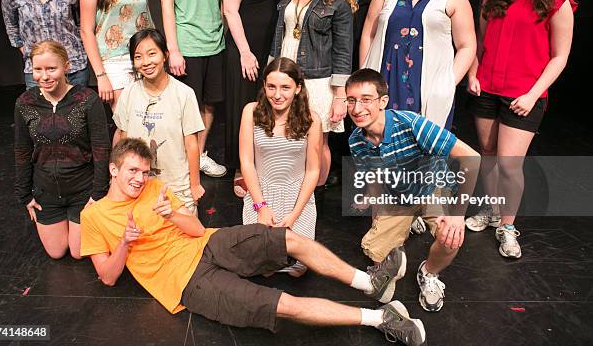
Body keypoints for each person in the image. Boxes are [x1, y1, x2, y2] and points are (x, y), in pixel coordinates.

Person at [80, 138, 426, 346]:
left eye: (144, 172)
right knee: (282, 304)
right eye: (132, 172)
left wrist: (172, 214)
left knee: (289, 239)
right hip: (186, 282)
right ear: (113, 170)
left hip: (209, 244)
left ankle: (371, 282)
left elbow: (197, 230)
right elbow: (108, 277)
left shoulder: (155, 188)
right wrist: (125, 243)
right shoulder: (94, 217)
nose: (140, 179)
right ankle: (380, 318)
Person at [465, 0, 576, 259]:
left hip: (523, 97)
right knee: (488, 157)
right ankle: (492, 209)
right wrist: (472, 73)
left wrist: (532, 94)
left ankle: (507, 225)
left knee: (510, 165)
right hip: (487, 89)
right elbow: (479, 42)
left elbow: (560, 56)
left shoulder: (558, 0)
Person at [346, 68, 480, 312]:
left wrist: (458, 216)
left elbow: (472, 157)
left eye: (366, 100)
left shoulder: (411, 123)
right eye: (351, 100)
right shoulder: (356, 140)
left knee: (450, 238)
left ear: (382, 101)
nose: (357, 108)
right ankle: (409, 222)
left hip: (432, 188)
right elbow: (375, 179)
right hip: (398, 195)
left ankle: (429, 273)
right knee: (375, 252)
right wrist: (378, 219)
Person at [359, 0, 476, 130]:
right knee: (380, 147)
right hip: (385, 82)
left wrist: (447, 84)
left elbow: (467, 46)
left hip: (427, 88)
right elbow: (369, 33)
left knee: (422, 152)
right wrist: (365, 78)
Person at [269, 0, 355, 189]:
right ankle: (291, 188)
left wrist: (340, 96)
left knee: (318, 142)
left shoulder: (337, 2)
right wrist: (270, 74)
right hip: (286, 77)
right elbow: (279, 35)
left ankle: (314, 193)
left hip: (318, 81)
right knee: (285, 136)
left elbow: (343, 50)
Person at [14, 41, 110, 259]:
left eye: (51, 69)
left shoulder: (87, 100)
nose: (44, 76)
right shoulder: (25, 102)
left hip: (82, 191)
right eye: (38, 69)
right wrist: (25, 195)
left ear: (66, 66)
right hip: (46, 192)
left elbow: (101, 149)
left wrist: (98, 194)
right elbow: (21, 150)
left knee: (78, 253)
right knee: (56, 253)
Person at [156, 0, 226, 178]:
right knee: (187, 107)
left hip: (215, 43)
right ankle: (183, 160)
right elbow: (167, 4)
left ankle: (199, 155)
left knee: (210, 103)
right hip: (187, 44)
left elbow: (221, 2)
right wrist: (173, 49)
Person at [223, 0, 287, 190]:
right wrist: (245, 52)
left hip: (270, 47)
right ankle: (240, 168)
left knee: (267, 105)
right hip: (245, 47)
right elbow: (230, 9)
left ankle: (263, 164)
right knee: (244, 106)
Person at [240, 58, 322, 276]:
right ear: (264, 86)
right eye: (271, 87)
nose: (277, 95)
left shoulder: (312, 119)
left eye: (285, 87)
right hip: (262, 193)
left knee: (298, 268)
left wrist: (295, 214)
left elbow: (313, 170)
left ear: (298, 88)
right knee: (261, 265)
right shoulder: (251, 111)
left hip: (297, 196)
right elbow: (247, 162)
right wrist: (261, 207)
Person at [113, 29, 205, 214]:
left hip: (176, 187)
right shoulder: (129, 93)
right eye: (138, 57)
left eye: (152, 53)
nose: (146, 62)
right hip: (138, 186)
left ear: (165, 55)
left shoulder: (184, 94)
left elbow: (191, 143)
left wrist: (195, 185)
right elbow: (123, 138)